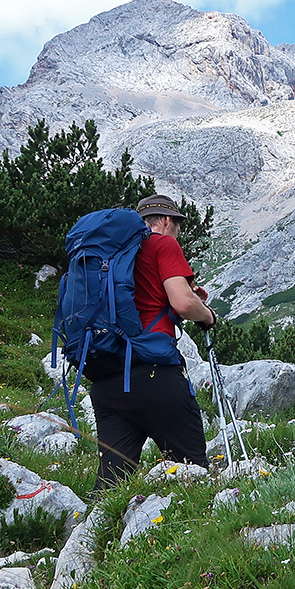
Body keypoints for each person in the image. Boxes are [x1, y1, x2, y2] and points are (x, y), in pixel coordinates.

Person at [83, 194, 215, 487]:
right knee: (193, 475)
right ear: (167, 221)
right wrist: (206, 314)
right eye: (178, 225)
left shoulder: (111, 253)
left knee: (111, 484)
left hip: (107, 379)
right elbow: (182, 304)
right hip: (153, 374)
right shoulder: (163, 244)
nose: (177, 232)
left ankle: (93, 532)